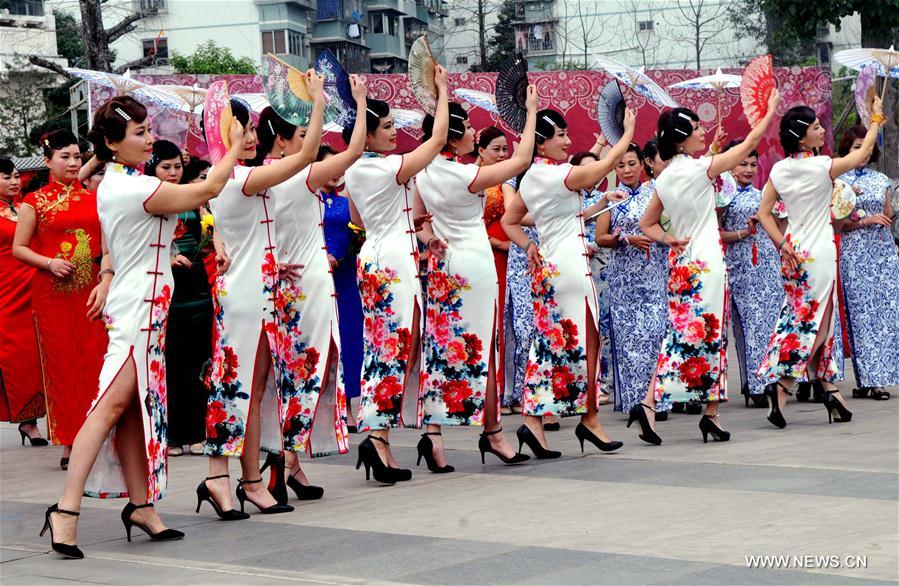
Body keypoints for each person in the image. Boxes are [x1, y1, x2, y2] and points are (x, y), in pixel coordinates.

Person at [39, 95, 244, 559]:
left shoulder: (123, 181)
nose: (150, 140)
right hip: (137, 311)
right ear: (112, 143)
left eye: (149, 130)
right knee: (110, 406)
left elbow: (115, 245)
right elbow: (203, 191)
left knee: (133, 410)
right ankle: (66, 510)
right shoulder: (130, 187)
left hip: (147, 306)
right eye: (140, 134)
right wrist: (230, 146)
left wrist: (107, 274)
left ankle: (141, 506)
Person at [200, 72, 325, 517]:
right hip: (247, 296)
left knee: (244, 389)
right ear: (221, 132)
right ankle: (245, 481)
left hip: (262, 287)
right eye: (242, 127)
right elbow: (308, 152)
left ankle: (227, 477)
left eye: (252, 127)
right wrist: (319, 100)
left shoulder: (241, 176)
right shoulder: (235, 179)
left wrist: (275, 262)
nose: (252, 136)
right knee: (243, 389)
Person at [636, 89, 780, 445]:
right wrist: (769, 111)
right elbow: (748, 144)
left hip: (682, 264)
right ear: (683, 138)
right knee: (705, 337)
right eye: (697, 128)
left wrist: (667, 239)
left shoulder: (665, 176)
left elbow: (646, 223)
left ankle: (704, 414)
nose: (703, 132)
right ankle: (652, 402)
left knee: (686, 334)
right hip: (706, 264)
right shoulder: (700, 169)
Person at [501, 108, 636, 458]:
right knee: (581, 344)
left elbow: (511, 221)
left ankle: (548, 421)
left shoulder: (531, 177)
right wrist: (626, 136)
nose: (568, 140)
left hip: (554, 267)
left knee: (551, 347)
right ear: (542, 143)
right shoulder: (558, 174)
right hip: (567, 270)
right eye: (560, 135)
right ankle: (579, 420)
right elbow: (602, 168)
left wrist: (531, 245)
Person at [414, 90, 537, 468]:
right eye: (466, 127)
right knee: (484, 348)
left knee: (440, 349)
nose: (472, 132)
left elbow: (419, 222)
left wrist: (433, 239)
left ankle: (434, 437)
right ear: (452, 136)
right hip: (474, 265)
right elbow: (522, 159)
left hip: (443, 268)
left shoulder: (424, 171)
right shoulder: (466, 174)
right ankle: (493, 433)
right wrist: (530, 111)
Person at [261, 75, 368, 501]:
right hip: (307, 285)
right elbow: (355, 151)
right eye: (302, 135)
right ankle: (282, 464)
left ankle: (288, 464)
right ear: (284, 143)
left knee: (287, 377)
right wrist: (354, 103)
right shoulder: (299, 176)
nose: (310, 143)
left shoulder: (253, 180)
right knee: (310, 372)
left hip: (280, 284)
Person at [344, 65, 449, 484]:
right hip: (393, 263)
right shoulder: (386, 168)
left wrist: (407, 218)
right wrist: (441, 93)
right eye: (385, 126)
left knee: (387, 348)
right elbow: (438, 140)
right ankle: (378, 436)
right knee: (394, 349)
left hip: (377, 254)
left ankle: (378, 433)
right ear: (366, 135)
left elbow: (357, 219)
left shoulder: (357, 170)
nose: (393, 132)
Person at [757, 100, 884, 428]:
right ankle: (783, 385)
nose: (821, 130)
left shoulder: (780, 170)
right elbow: (863, 152)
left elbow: (764, 214)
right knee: (819, 325)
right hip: (819, 254)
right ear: (802, 138)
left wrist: (782, 244)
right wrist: (875, 118)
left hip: (793, 252)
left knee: (802, 317)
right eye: (815, 127)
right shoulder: (821, 165)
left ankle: (831, 393)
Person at [13, 131, 108, 469]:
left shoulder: (94, 198)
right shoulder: (34, 201)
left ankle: (94, 438)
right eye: (64, 157)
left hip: (91, 293)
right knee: (63, 368)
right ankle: (70, 442)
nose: (72, 163)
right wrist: (49, 262)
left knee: (95, 363)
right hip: (52, 297)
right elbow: (19, 248)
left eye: (77, 157)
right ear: (48, 161)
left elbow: (107, 247)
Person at [144, 140, 213, 457]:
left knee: (200, 362)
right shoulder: (145, 200)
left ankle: (199, 430)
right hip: (164, 290)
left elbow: (214, 235)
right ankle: (171, 434)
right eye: (165, 167)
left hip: (198, 290)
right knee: (169, 362)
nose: (173, 173)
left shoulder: (195, 200)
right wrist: (168, 258)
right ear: (152, 168)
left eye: (176, 166)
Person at [594, 143, 669, 418]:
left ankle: (655, 399)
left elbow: (667, 226)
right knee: (628, 339)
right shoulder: (612, 197)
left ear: (643, 164)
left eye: (631, 164)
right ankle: (635, 401)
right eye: (620, 165)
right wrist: (625, 238)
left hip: (654, 272)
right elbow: (600, 237)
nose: (626, 170)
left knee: (655, 332)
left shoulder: (657, 192)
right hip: (622, 277)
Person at [834, 125, 899, 400]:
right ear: (847, 148)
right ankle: (869, 380)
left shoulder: (883, 179)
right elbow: (838, 224)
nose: (863, 152)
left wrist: (889, 215)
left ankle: (881, 376)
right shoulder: (838, 180)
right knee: (860, 315)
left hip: (883, 255)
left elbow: (889, 213)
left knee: (885, 314)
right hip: (856, 255)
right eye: (857, 147)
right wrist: (864, 221)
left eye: (867, 147)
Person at [718, 141, 782, 408]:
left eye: (752, 164)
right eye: (742, 163)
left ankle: (771, 380)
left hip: (767, 264)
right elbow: (716, 233)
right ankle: (752, 384)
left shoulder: (765, 194)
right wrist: (744, 233)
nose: (747, 169)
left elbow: (779, 225)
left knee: (769, 323)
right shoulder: (722, 198)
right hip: (738, 265)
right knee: (746, 326)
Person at [0, 158, 47, 446]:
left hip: (36, 285)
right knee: (17, 356)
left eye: (16, 176)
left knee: (41, 351)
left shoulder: (25, 207)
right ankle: (27, 420)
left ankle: (44, 418)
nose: (14, 182)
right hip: (6, 291)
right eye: (6, 177)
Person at [320, 145, 364, 428]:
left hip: (347, 276)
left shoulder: (347, 197)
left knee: (351, 338)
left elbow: (360, 229)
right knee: (326, 341)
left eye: (339, 165)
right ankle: (327, 408)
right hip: (321, 277)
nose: (336, 172)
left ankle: (351, 405)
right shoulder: (310, 198)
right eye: (329, 166)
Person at [568, 151, 614, 402]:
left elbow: (607, 233)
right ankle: (581, 382)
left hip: (600, 267)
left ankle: (604, 383)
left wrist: (593, 246)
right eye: (585, 168)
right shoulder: (566, 197)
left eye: (595, 168)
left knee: (602, 323)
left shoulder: (605, 198)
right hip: (571, 266)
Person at [476, 126, 512, 401]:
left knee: (515, 325)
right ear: (481, 151)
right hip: (490, 256)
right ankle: (494, 391)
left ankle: (511, 390)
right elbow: (469, 225)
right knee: (494, 320)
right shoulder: (475, 181)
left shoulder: (511, 179)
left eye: (505, 150)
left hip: (517, 257)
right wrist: (500, 244)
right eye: (496, 150)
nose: (502, 155)